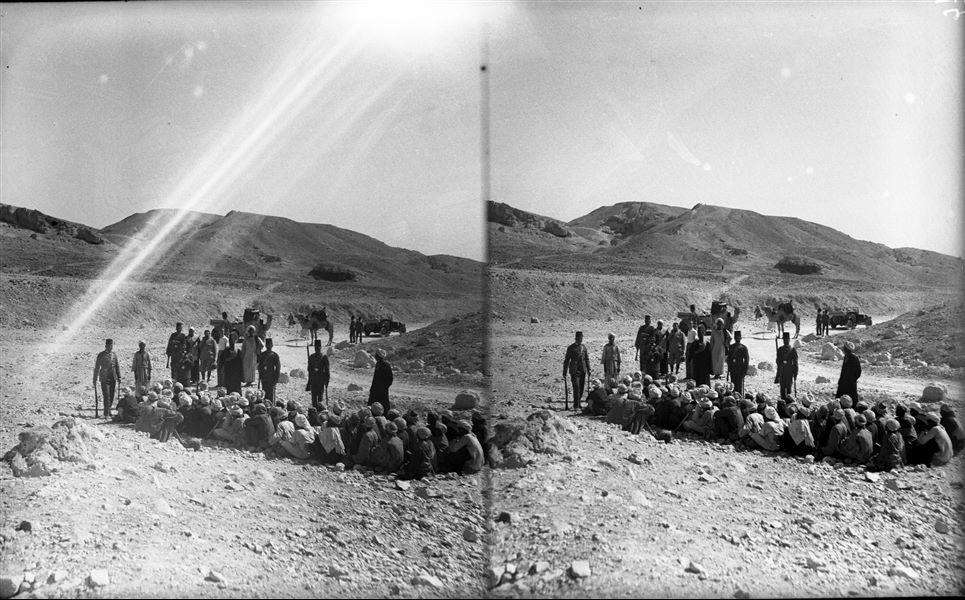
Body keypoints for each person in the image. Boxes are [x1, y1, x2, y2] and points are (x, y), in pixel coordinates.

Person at [93, 338, 121, 417]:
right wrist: (94, 379)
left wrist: (119, 377)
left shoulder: (114, 355)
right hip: (104, 378)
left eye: (111, 345)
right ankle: (106, 413)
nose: (110, 347)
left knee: (112, 395)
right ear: (106, 346)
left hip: (113, 377)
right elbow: (97, 368)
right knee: (106, 395)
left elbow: (117, 366)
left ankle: (109, 411)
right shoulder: (101, 355)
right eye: (109, 345)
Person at [563, 331, 591, 411]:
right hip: (574, 370)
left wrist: (589, 369)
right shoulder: (571, 347)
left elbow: (586, 359)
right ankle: (576, 405)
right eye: (579, 338)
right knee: (576, 387)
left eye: (581, 338)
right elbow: (567, 360)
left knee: (581, 387)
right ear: (576, 338)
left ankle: (578, 403)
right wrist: (564, 371)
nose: (580, 339)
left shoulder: (584, 347)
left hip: (583, 369)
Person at [368, 348, 393, 414]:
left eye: (376, 355)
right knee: (372, 404)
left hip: (382, 389)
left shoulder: (386, 365)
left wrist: (385, 387)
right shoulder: (378, 364)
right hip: (375, 388)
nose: (375, 356)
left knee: (384, 404)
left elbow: (390, 378)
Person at [307, 339, 330, 409]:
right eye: (316, 347)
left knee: (320, 400)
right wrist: (309, 382)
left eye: (318, 347)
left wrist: (327, 381)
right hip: (313, 380)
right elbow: (309, 369)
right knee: (314, 399)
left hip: (320, 381)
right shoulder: (311, 357)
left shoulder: (324, 357)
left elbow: (327, 370)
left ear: (321, 347)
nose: (317, 348)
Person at [775, 332, 797, 400]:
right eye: (784, 339)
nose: (785, 341)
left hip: (789, 372)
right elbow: (778, 361)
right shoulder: (780, 349)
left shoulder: (792, 350)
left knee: (788, 390)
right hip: (782, 372)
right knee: (782, 389)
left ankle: (788, 404)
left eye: (787, 339)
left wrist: (795, 373)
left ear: (789, 340)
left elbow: (795, 363)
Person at [726, 331, 749, 396]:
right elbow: (729, 359)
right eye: (736, 337)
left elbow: (746, 360)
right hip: (733, 369)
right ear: (734, 338)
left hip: (740, 369)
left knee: (739, 386)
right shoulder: (731, 347)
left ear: (741, 338)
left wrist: (745, 370)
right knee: (732, 385)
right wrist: (729, 369)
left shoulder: (743, 347)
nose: (737, 338)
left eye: (738, 337)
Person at [258, 338, 281, 402]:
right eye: (267, 344)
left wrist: (276, 378)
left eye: (270, 344)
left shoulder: (275, 355)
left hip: (271, 377)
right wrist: (260, 375)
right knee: (264, 393)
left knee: (270, 394)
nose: (269, 346)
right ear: (265, 345)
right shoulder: (262, 355)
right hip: (264, 377)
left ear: (272, 345)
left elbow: (278, 368)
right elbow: (260, 366)